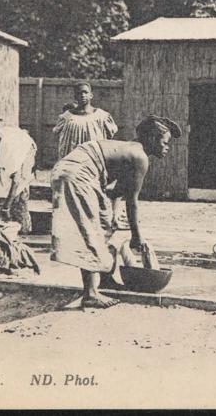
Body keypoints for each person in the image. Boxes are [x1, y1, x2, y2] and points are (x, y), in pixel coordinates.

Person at [50, 115, 181, 309]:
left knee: (103, 223)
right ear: (152, 139)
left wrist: (111, 215)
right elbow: (132, 202)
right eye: (165, 143)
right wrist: (137, 237)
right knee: (91, 231)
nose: (167, 148)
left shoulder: (128, 150)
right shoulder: (140, 157)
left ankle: (105, 278)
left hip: (68, 170)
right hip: (78, 175)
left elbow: (118, 192)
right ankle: (90, 294)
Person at [53, 82, 125, 228]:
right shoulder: (66, 117)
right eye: (79, 93)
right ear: (75, 96)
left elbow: (109, 137)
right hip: (71, 159)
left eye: (85, 92)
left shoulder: (102, 116)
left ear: (91, 95)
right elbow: (58, 136)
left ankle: (97, 225)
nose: (83, 95)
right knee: (70, 191)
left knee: (96, 189)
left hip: (94, 160)